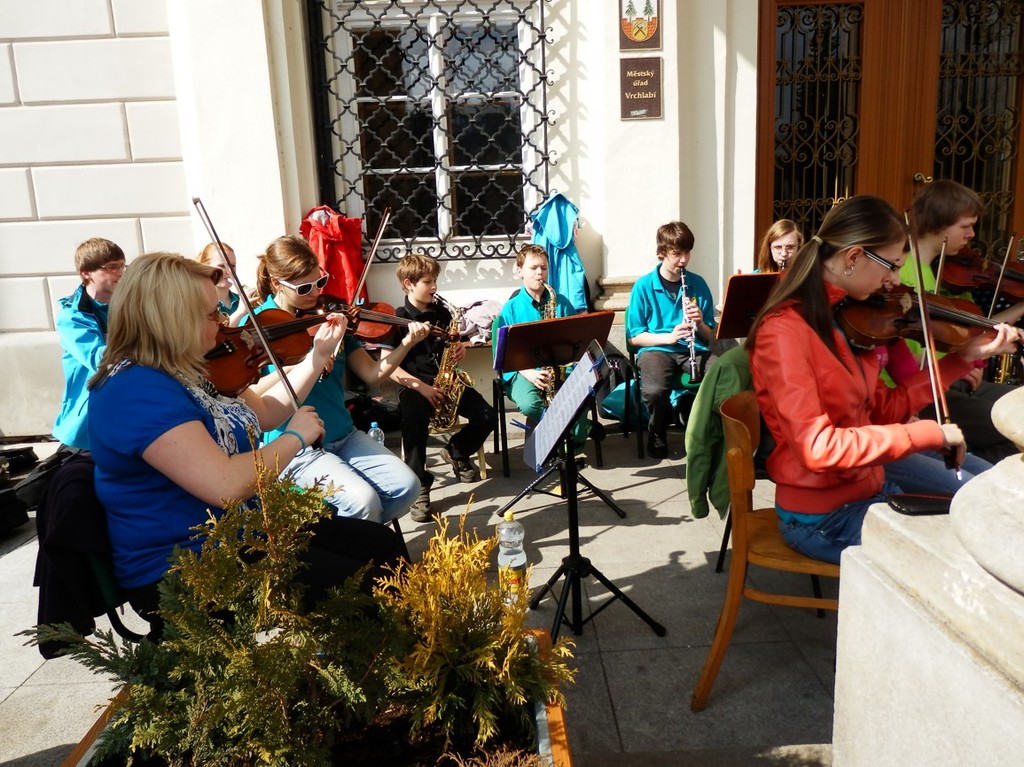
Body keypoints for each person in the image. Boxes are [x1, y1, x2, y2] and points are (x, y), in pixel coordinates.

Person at [88, 253, 406, 627]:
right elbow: (226, 484)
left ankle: (398, 645)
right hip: (191, 564)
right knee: (361, 586)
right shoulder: (137, 390)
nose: (224, 322)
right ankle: (364, 654)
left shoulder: (191, 368)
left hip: (246, 533)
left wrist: (317, 355)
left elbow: (267, 411)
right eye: (212, 315)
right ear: (171, 319)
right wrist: (294, 439)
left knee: (381, 545)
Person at [746, 195, 1018, 564]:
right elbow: (817, 448)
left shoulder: (846, 320)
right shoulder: (784, 332)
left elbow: (883, 410)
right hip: (823, 518)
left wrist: (961, 359)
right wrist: (928, 434)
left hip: (869, 488)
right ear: (854, 257)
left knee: (991, 499)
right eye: (891, 266)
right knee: (976, 543)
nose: (894, 281)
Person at [249, 235, 422, 524]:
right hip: (295, 446)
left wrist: (406, 344)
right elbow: (250, 393)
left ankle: (351, 538)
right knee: (363, 501)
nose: (316, 293)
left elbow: (372, 374)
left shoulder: (329, 317)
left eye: (319, 282)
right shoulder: (258, 325)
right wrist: (304, 362)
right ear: (277, 283)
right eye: (304, 288)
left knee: (407, 486)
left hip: (344, 434)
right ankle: (359, 544)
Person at [907, 180, 1023, 463]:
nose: (971, 235)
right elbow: (912, 358)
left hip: (952, 378)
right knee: (1013, 430)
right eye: (965, 226)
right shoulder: (905, 275)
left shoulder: (937, 271)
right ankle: (965, 472)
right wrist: (961, 361)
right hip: (926, 390)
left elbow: (969, 329)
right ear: (939, 223)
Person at [382, 254, 495, 521]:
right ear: (408, 284)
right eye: (428, 282)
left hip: (447, 382)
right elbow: (389, 367)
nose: (434, 287)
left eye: (435, 280)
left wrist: (460, 349)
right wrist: (423, 388)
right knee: (413, 421)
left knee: (488, 416)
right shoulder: (396, 320)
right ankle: (419, 485)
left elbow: (454, 346)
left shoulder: (443, 313)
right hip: (415, 386)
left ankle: (456, 452)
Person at [626, 221, 718, 460]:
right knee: (656, 391)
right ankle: (658, 429)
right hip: (656, 348)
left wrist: (700, 322)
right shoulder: (643, 286)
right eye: (677, 254)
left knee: (722, 375)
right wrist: (669, 337)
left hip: (693, 348)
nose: (683, 260)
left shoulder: (698, 283)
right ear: (661, 252)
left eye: (687, 253)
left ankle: (702, 426)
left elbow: (710, 336)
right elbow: (635, 337)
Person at [493, 244, 591, 451]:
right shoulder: (510, 309)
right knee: (530, 405)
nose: (540, 273)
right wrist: (528, 373)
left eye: (544, 268)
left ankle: (571, 444)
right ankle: (562, 434)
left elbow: (578, 339)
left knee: (582, 395)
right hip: (522, 370)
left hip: (560, 367)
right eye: (533, 268)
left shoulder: (561, 302)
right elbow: (504, 354)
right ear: (519, 271)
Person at [53, 238, 126, 451]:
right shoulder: (71, 317)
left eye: (122, 266)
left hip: (125, 412)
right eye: (112, 267)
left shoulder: (129, 305)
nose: (120, 272)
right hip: (86, 423)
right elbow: (101, 359)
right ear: (86, 273)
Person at [196, 241, 248, 326]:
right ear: (205, 267)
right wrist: (241, 312)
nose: (230, 271)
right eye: (222, 266)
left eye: (232, 266)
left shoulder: (241, 301)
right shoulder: (199, 305)